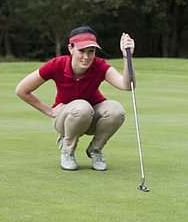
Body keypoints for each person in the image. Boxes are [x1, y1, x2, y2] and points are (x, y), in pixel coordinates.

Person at [15, 27, 135, 171]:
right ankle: (68, 151)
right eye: (81, 51)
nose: (86, 56)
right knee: (82, 107)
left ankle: (95, 150)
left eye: (91, 51)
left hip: (91, 119)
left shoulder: (99, 66)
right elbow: (22, 90)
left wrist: (127, 56)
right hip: (65, 120)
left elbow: (127, 85)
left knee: (116, 110)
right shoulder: (57, 65)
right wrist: (49, 111)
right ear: (70, 49)